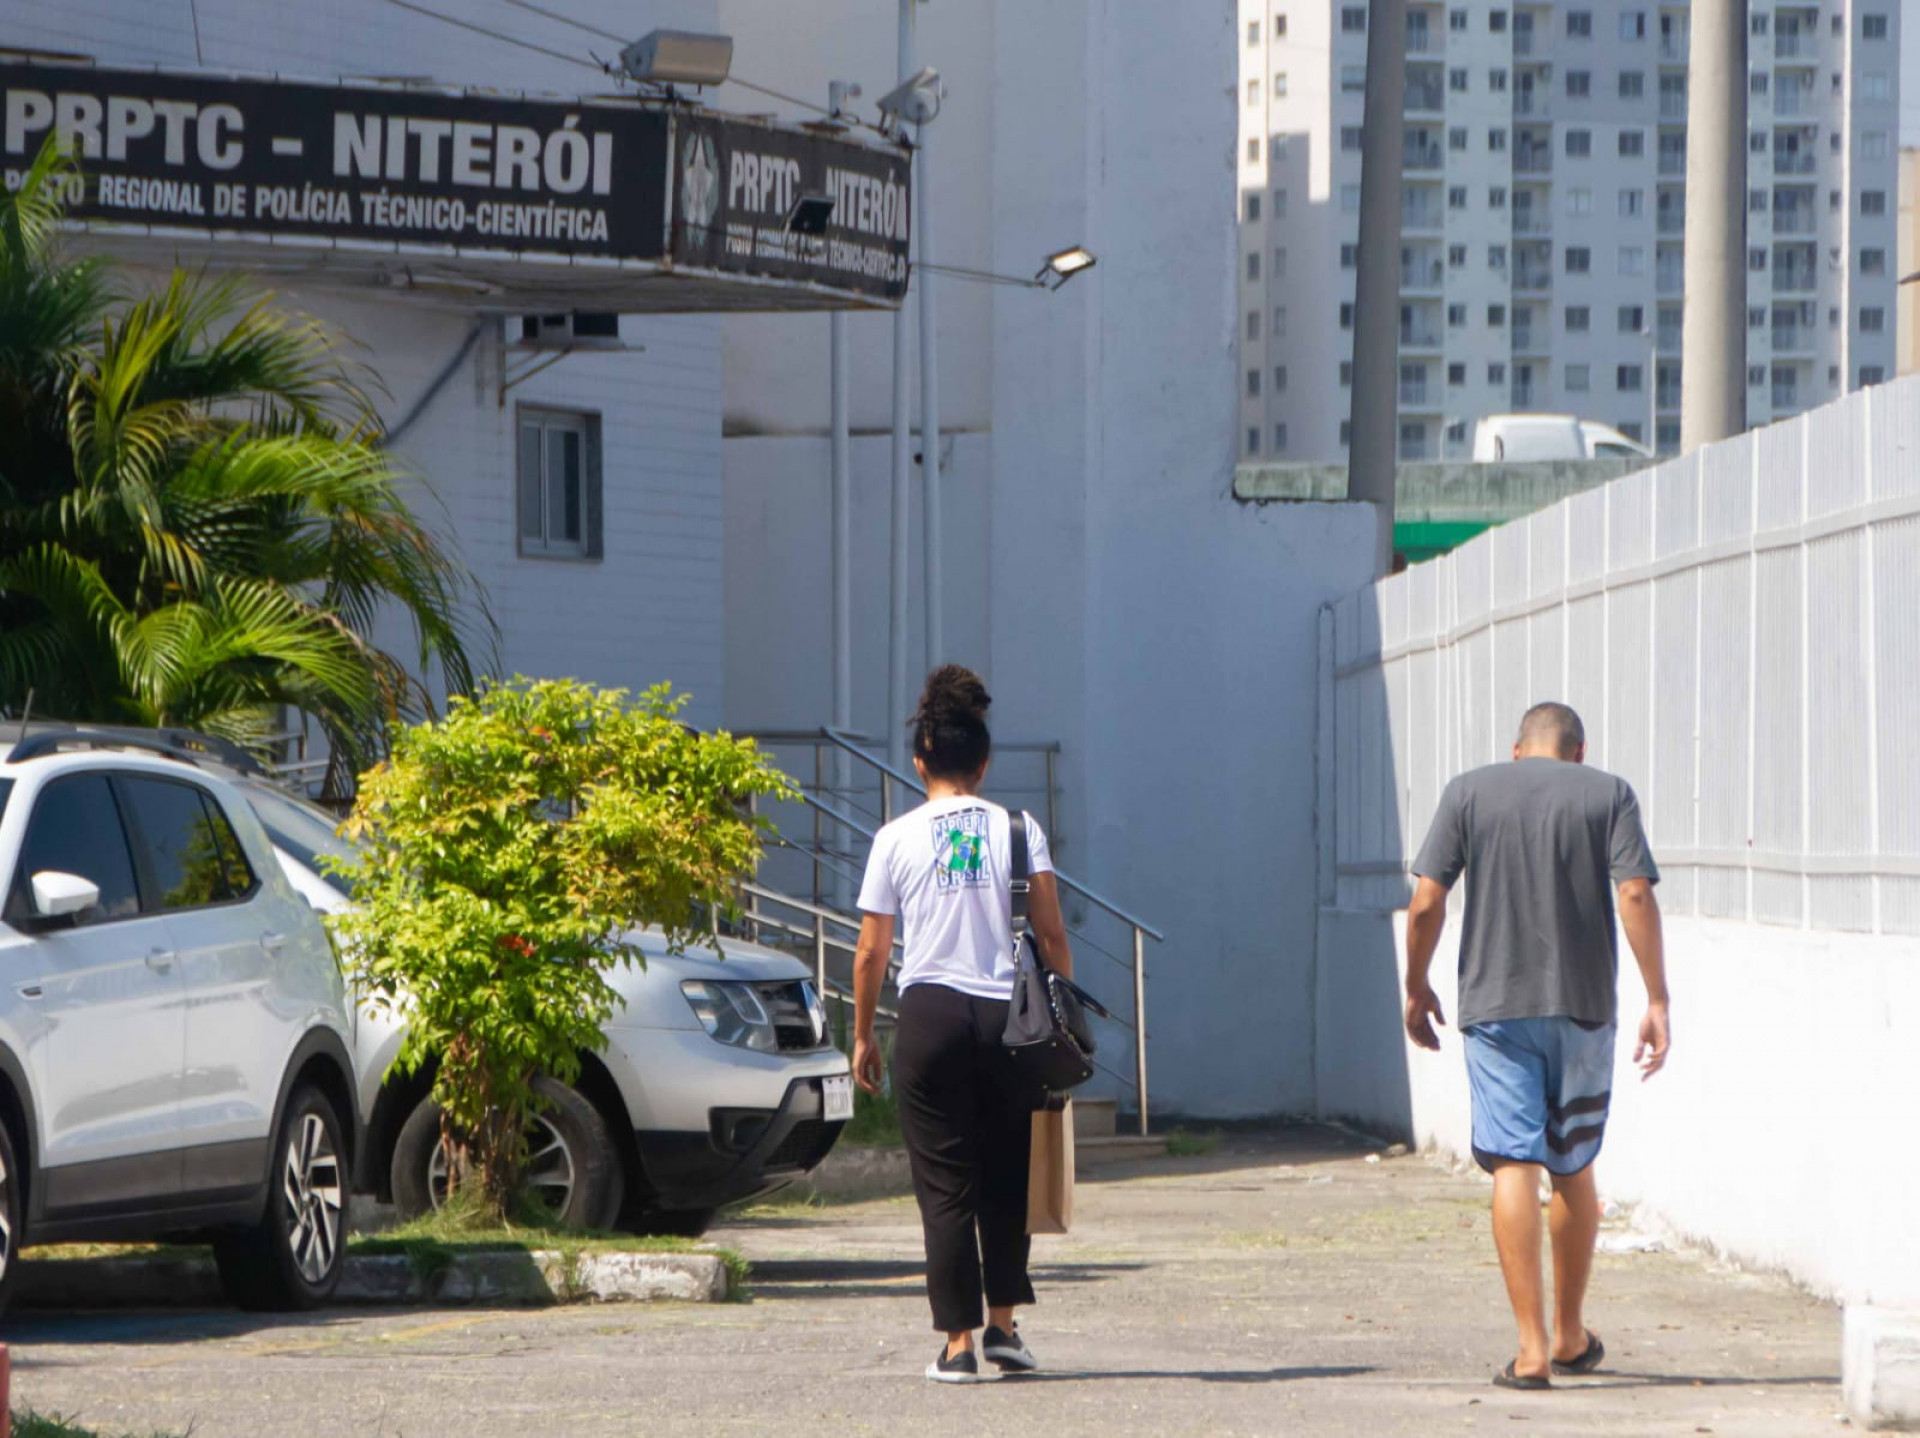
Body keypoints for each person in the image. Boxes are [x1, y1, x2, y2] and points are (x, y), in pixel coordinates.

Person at [1403, 701, 1670, 1391]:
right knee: (1573, 1164)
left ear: (1517, 749)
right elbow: (1634, 893)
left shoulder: (1470, 790)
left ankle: (1529, 1352)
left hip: (1496, 1009)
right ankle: (1570, 1335)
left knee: (1513, 1164)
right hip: (1584, 1008)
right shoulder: (1608, 793)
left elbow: (1428, 901)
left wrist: (1415, 985)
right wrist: (1658, 998)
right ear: (1578, 752)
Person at [851, 665, 1076, 1384]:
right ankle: (1006, 1328)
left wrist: (861, 1034)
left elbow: (870, 952)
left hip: (931, 1016)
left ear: (919, 760)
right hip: (1010, 1019)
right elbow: (1051, 933)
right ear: (983, 762)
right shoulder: (1018, 828)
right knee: (1009, 1176)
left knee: (945, 1185)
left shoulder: (894, 837)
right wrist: (1062, 1009)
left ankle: (957, 1345)